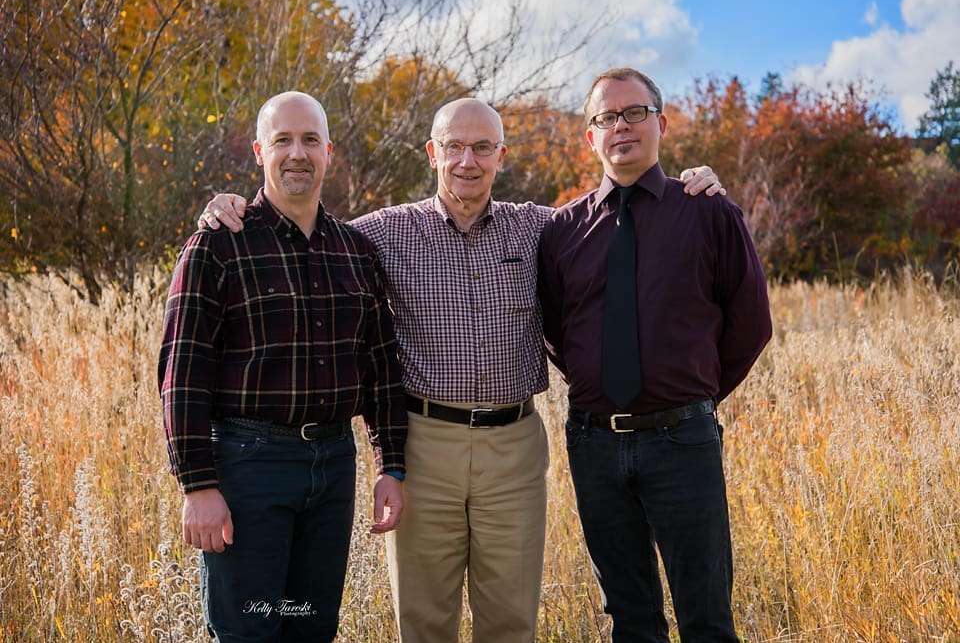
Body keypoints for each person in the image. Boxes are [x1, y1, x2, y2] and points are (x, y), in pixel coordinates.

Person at [200, 97, 724, 642]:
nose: (466, 161)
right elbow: (302, 226)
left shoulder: (544, 228)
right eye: (453, 147)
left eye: (481, 148)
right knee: (425, 622)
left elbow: (619, 210)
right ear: (433, 153)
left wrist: (692, 185)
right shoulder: (382, 234)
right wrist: (233, 207)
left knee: (510, 622)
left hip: (514, 449)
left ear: (502, 156)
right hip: (425, 447)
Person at [158, 91, 407, 643]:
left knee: (310, 626)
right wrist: (197, 485)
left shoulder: (357, 252)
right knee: (250, 630)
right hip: (250, 466)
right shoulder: (218, 245)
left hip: (333, 466)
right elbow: (182, 372)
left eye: (310, 140)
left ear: (329, 153)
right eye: (283, 140)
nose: (298, 153)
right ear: (258, 151)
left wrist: (392, 463)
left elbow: (380, 366)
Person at [537, 68, 772, 642]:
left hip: (682, 442)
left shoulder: (708, 211)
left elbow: (751, 322)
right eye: (605, 118)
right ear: (590, 138)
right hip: (594, 443)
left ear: (661, 123)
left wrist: (692, 391)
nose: (621, 126)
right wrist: (599, 379)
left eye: (634, 113)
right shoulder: (562, 229)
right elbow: (554, 328)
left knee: (707, 619)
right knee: (631, 620)